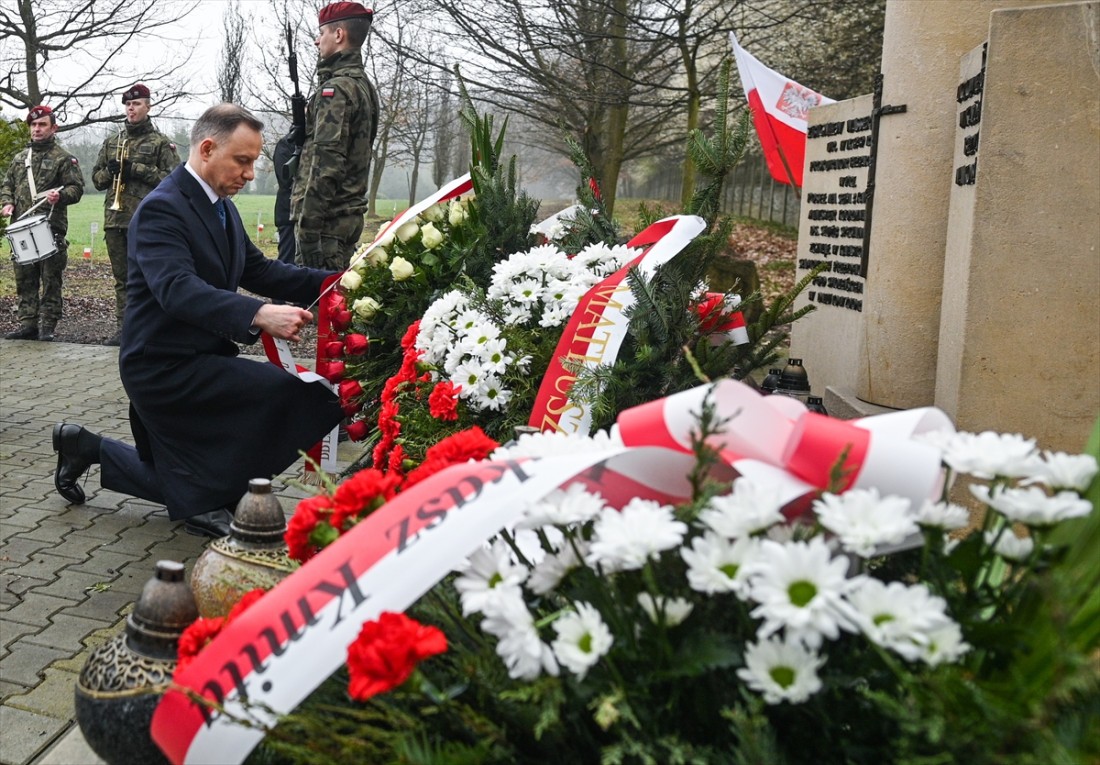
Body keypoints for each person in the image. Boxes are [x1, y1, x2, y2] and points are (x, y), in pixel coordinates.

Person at [52, 103, 344, 539]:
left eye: (253, 163)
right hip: (162, 368)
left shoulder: (220, 206)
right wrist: (259, 313)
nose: (250, 173)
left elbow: (261, 270)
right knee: (291, 398)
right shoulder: (160, 209)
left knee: (300, 404)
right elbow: (177, 289)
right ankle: (209, 495)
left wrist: (344, 282)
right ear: (207, 149)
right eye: (242, 161)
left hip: (202, 359)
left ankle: (91, 448)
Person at [291, 0, 380, 271]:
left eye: (322, 34)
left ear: (338, 35)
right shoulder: (363, 86)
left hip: (326, 225)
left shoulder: (336, 91)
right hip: (346, 219)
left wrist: (308, 231)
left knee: (315, 310)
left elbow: (326, 166)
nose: (318, 42)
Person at [92, 83, 181, 346]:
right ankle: (126, 330)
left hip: (146, 222)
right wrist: (111, 171)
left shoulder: (161, 143)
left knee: (148, 279)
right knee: (122, 280)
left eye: (137, 104)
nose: (131, 109)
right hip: (115, 219)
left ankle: (152, 331)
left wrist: (137, 169)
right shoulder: (112, 142)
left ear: (148, 106)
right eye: (128, 105)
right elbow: (97, 180)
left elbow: (174, 180)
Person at [1, 106, 85, 341]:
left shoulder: (63, 158)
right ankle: (27, 323)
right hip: (21, 225)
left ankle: (48, 325)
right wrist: (7, 203)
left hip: (50, 225)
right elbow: (6, 185)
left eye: (42, 125)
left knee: (50, 278)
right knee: (24, 275)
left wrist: (61, 197)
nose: (37, 129)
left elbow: (76, 188)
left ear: (53, 128)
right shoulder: (20, 159)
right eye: (33, 125)